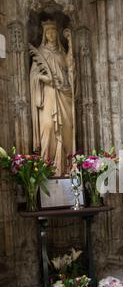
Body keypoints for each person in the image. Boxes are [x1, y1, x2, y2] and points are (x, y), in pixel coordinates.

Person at [30, 20, 76, 176]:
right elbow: (33, 76)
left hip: (64, 95)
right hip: (48, 95)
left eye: (53, 31)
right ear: (44, 34)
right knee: (48, 128)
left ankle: (68, 167)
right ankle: (47, 168)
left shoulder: (61, 52)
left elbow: (70, 67)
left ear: (57, 34)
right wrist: (44, 79)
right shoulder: (41, 52)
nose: (51, 34)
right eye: (48, 32)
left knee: (66, 131)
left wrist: (70, 43)